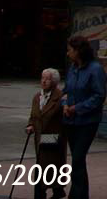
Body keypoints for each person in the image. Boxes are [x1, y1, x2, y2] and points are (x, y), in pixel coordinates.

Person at [63, 36, 106, 199]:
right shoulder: (72, 69)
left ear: (78, 51)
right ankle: (81, 193)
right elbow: (66, 89)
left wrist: (78, 108)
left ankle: (77, 194)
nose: (68, 54)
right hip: (70, 119)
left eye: (70, 50)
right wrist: (65, 104)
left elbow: (99, 95)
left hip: (87, 121)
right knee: (76, 158)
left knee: (78, 157)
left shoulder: (95, 70)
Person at [27, 68, 67, 199]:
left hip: (53, 136)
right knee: (41, 164)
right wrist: (30, 125)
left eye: (47, 79)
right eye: (42, 78)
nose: (43, 81)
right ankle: (46, 192)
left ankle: (55, 191)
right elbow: (33, 115)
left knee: (50, 165)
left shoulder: (60, 97)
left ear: (54, 82)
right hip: (40, 137)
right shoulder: (37, 97)